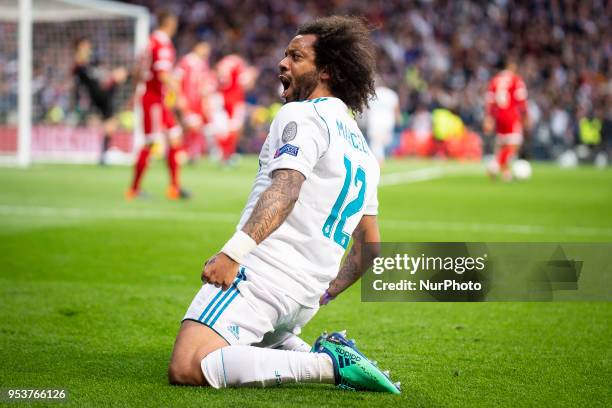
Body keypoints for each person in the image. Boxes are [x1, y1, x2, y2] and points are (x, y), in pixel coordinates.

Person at [167, 16, 399, 394]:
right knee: (244, 348)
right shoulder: (363, 150)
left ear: (326, 71)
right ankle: (295, 346)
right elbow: (370, 249)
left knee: (190, 365)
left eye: (296, 56)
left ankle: (327, 364)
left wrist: (233, 253)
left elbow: (286, 189)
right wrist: (326, 292)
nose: (282, 63)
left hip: (261, 279)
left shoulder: (303, 114)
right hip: (302, 300)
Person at [126, 10, 190, 200]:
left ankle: (174, 187)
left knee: (174, 136)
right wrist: (179, 95)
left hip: (155, 99)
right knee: (151, 142)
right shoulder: (161, 43)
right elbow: (162, 74)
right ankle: (134, 189)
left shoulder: (149, 42)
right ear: (169, 23)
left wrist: (135, 91)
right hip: (153, 100)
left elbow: (137, 70)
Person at [73, 37, 127, 165]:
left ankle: (103, 154)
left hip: (102, 93)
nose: (88, 47)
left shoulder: (91, 63)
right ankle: (104, 154)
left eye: (88, 45)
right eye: (85, 45)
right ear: (79, 46)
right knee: (120, 75)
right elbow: (80, 71)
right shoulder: (80, 64)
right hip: (97, 95)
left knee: (111, 124)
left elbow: (97, 77)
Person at [484, 57, 529, 181]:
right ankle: (494, 166)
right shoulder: (516, 80)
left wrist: (489, 118)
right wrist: (526, 116)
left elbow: (490, 100)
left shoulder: (494, 80)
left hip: (498, 116)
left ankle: (506, 173)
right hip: (511, 115)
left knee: (502, 144)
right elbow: (521, 100)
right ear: (511, 66)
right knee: (513, 145)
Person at [215, 54, 258, 163]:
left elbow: (221, 83)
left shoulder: (223, 64)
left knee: (228, 130)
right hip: (235, 101)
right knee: (233, 129)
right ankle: (226, 153)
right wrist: (252, 75)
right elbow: (247, 84)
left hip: (223, 99)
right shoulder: (239, 65)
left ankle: (226, 154)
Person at [175, 40, 211, 163]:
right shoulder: (186, 61)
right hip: (187, 101)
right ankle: (181, 151)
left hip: (198, 103)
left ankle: (191, 153)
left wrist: (206, 102)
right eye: (204, 48)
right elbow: (177, 79)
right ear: (197, 47)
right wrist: (179, 97)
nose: (206, 51)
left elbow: (204, 84)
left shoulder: (203, 64)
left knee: (196, 127)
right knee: (189, 126)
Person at [364, 77, 400, 164]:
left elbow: (365, 109)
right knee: (381, 142)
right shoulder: (392, 94)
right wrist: (398, 122)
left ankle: (379, 160)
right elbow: (396, 111)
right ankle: (379, 159)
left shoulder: (371, 94)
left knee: (376, 142)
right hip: (388, 121)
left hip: (375, 121)